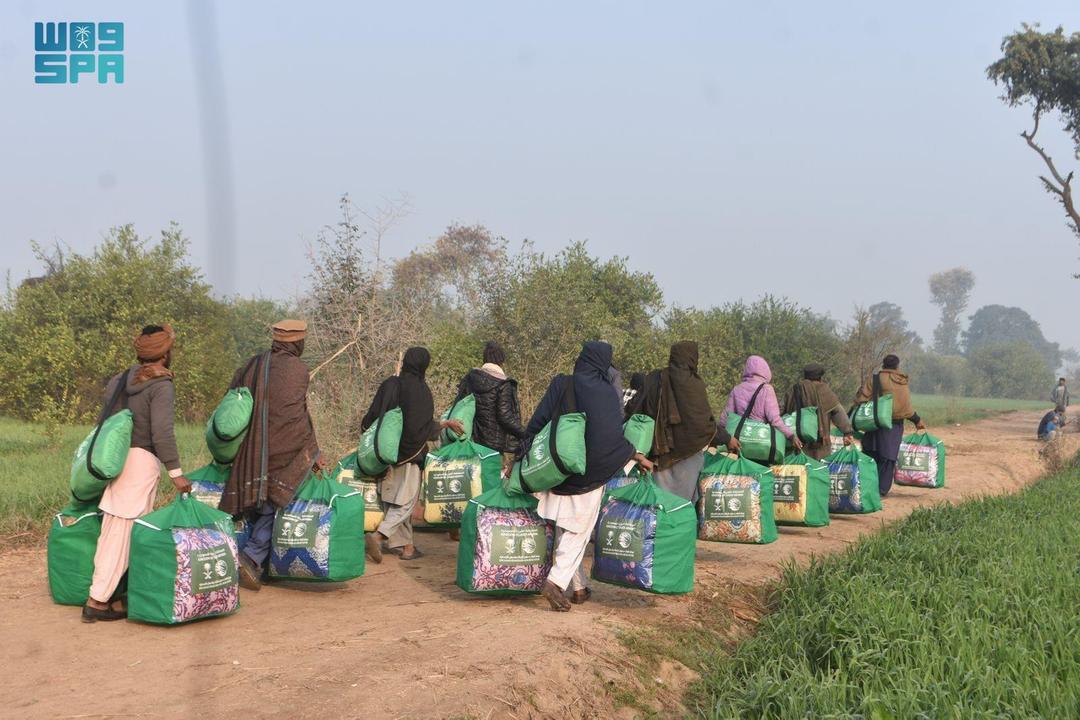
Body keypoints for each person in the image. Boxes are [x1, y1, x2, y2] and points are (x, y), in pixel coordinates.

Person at [526, 341, 652, 611]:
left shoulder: (562, 383)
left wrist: (522, 454)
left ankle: (579, 587)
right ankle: (555, 581)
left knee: (565, 526)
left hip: (557, 467)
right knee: (579, 530)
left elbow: (538, 421)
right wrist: (633, 454)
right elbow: (610, 438)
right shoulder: (605, 393)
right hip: (588, 473)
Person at [83, 324, 191, 622]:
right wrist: (176, 473)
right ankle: (97, 602)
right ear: (165, 354)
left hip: (117, 462)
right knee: (122, 534)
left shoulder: (119, 380)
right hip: (141, 462)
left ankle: (116, 597)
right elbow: (162, 434)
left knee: (114, 531)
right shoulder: (161, 384)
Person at [220, 319, 324, 591]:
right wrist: (312, 450)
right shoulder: (298, 370)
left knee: (259, 500)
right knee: (273, 500)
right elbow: (296, 414)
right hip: (283, 447)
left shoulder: (253, 364)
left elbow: (233, 398)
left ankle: (257, 561)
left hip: (251, 449)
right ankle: (251, 556)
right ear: (297, 343)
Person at [362, 347, 464, 563]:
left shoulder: (390, 384)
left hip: (384, 454)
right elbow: (421, 428)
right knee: (406, 502)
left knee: (393, 500)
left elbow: (372, 416)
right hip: (410, 457)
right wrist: (443, 425)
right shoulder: (421, 391)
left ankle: (407, 547)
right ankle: (379, 536)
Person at [635, 341, 739, 501]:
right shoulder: (692, 385)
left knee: (659, 503)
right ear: (693, 359)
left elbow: (636, 409)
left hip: (657, 455)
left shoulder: (654, 379)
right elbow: (703, 423)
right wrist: (726, 438)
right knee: (683, 505)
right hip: (688, 456)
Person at [855, 354, 926, 497]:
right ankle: (881, 490)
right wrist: (917, 420)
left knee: (870, 454)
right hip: (893, 426)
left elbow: (860, 399)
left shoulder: (875, 379)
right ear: (897, 366)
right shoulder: (902, 382)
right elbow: (905, 407)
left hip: (873, 424)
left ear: (883, 365)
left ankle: (867, 487)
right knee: (888, 458)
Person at [452, 341, 525, 469]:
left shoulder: (470, 378)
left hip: (469, 441)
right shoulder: (503, 384)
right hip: (493, 446)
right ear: (501, 360)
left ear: (485, 358)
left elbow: (459, 405)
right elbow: (505, 416)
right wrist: (525, 433)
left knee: (472, 478)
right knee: (490, 478)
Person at [720, 355, 803, 454]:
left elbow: (725, 418)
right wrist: (791, 436)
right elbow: (775, 420)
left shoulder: (737, 389)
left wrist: (719, 435)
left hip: (739, 442)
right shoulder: (767, 389)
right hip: (760, 443)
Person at [782, 363, 855, 460]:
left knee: (797, 468)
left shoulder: (793, 390)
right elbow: (838, 412)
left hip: (795, 442)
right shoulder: (824, 390)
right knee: (818, 468)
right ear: (820, 376)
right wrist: (847, 432)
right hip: (819, 445)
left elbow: (780, 410)